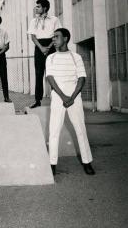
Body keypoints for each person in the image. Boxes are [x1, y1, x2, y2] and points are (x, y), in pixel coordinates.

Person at [46, 28, 95, 176]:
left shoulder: (76, 57)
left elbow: (82, 78)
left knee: (81, 130)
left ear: (66, 38)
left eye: (57, 37)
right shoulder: (51, 58)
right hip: (58, 97)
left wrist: (72, 97)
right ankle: (52, 164)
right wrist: (63, 97)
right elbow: (50, 79)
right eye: (53, 37)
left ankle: (87, 163)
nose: (53, 39)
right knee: (54, 131)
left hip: (75, 97)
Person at [27, 0, 62, 108]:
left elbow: (57, 35)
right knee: (38, 74)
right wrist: (42, 48)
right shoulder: (33, 21)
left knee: (52, 74)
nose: (36, 8)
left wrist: (48, 47)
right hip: (39, 47)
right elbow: (33, 37)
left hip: (51, 46)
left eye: (38, 6)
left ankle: (56, 100)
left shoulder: (54, 19)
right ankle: (37, 100)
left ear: (45, 8)